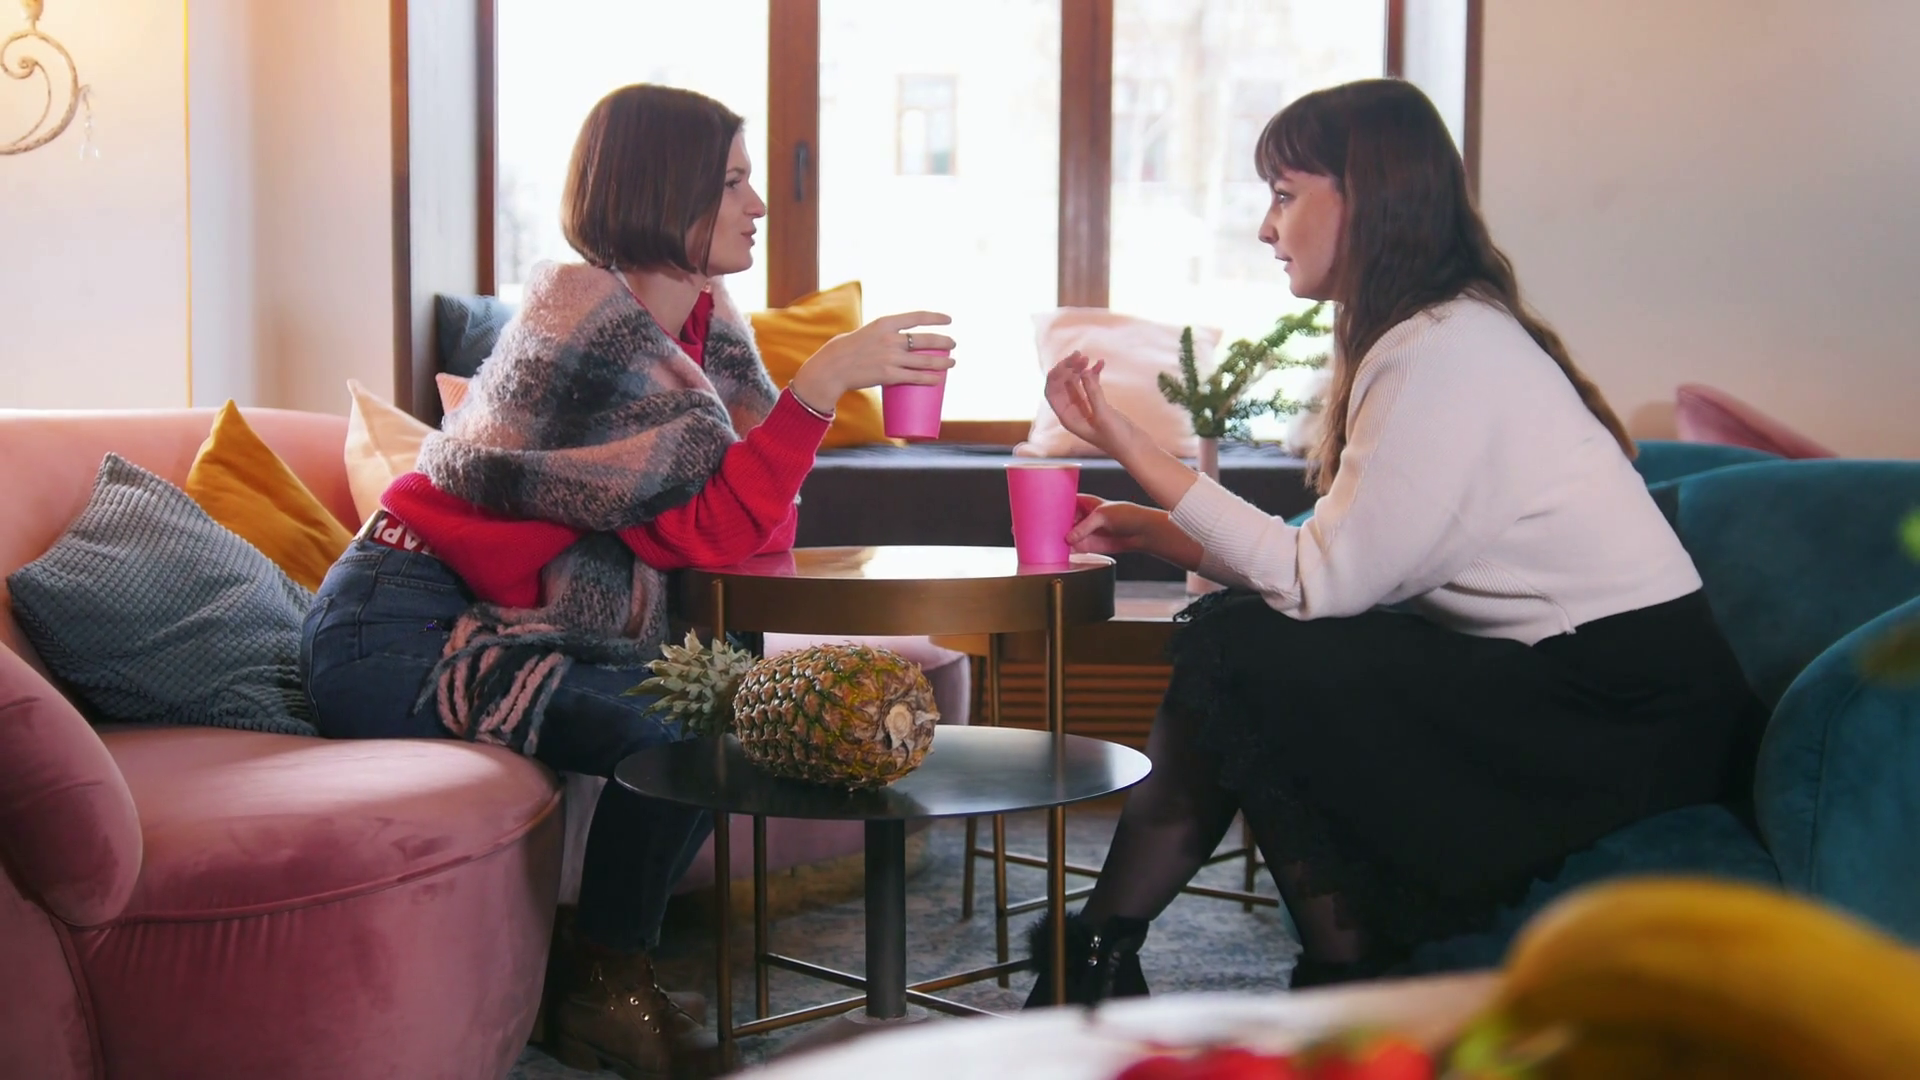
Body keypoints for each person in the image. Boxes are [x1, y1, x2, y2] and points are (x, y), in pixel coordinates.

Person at [1024, 78, 1765, 1005]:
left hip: (1624, 715)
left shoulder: (1443, 349)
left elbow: (1320, 582)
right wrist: (1158, 533)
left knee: (1250, 647)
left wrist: (1128, 441)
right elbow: (1343, 558)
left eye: (1284, 195)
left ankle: (1289, 973)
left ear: (1365, 198)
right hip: (1565, 681)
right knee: (1247, 644)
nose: (1266, 227)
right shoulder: (1429, 334)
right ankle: (1112, 956)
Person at [299, 84, 953, 1076]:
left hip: (474, 609)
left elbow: (748, 527)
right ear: (663, 189)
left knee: (723, 704)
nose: (757, 205)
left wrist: (794, 415)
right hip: (399, 628)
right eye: (732, 182)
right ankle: (607, 987)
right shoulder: (583, 333)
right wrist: (818, 387)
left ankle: (600, 972)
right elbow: (711, 525)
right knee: (677, 733)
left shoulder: (703, 336)